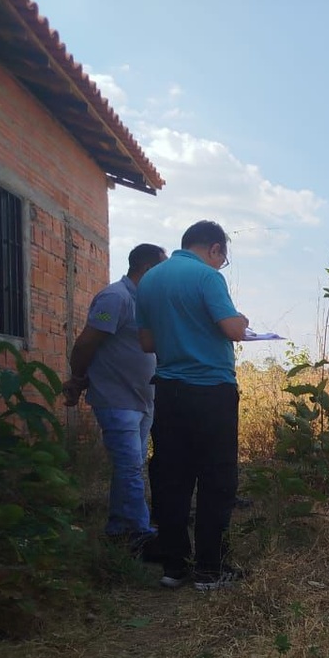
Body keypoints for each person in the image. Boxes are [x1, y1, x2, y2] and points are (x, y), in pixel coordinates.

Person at [135, 221, 249, 590]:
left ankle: (174, 566)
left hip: (168, 391)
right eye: (222, 259)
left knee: (171, 477)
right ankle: (210, 570)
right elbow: (232, 329)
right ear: (215, 249)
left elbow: (147, 343)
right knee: (217, 479)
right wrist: (241, 320)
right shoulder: (207, 277)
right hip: (210, 390)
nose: (220, 266)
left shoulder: (150, 280)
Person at [64, 243, 167, 556]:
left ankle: (120, 527)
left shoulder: (144, 302)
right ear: (148, 270)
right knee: (130, 466)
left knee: (131, 466)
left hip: (141, 400)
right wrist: (78, 379)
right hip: (117, 398)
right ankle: (138, 533)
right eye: (161, 271)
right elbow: (86, 343)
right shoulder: (115, 298)